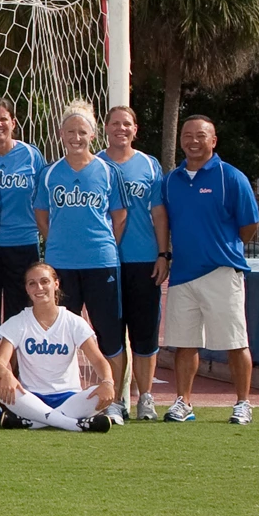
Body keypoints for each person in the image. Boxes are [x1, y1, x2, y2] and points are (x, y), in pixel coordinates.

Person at [161, 115, 259, 425]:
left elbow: (250, 226)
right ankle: (184, 402)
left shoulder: (230, 177)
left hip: (221, 271)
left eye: (201, 135)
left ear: (213, 141)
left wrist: (221, 248)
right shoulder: (170, 180)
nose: (193, 140)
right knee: (184, 342)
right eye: (187, 135)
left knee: (234, 341)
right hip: (182, 275)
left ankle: (243, 403)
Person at [34, 105, 126, 419]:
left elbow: (119, 217)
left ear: (93, 134)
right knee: (62, 334)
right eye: (70, 132)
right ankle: (67, 397)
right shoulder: (49, 173)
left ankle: (113, 401)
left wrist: (97, 243)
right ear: (61, 135)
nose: (76, 138)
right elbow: (42, 216)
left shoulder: (107, 170)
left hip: (100, 263)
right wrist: (60, 241)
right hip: (61, 266)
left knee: (109, 334)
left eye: (82, 132)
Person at [99, 105, 170, 421]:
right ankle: (115, 399)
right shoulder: (94, 164)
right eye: (115, 123)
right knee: (111, 336)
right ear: (106, 128)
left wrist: (162, 253)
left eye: (126, 124)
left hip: (143, 260)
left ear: (135, 129)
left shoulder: (149, 165)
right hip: (104, 262)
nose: (121, 129)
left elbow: (158, 213)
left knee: (144, 334)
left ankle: (146, 399)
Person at [0, 262, 115, 432]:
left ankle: (31, 421)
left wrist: (108, 382)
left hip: (70, 397)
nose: (39, 287)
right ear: (26, 289)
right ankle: (73, 424)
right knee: (0, 385)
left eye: (44, 281)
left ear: (56, 284)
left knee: (97, 393)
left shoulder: (73, 321)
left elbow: (98, 360)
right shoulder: (18, 322)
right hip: (31, 397)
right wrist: (6, 374)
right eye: (32, 283)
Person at [0, 99, 49, 335]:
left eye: (3, 118)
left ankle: (17, 370)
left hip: (23, 244)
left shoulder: (31, 155)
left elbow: (44, 199)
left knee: (22, 314)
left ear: (13, 123)